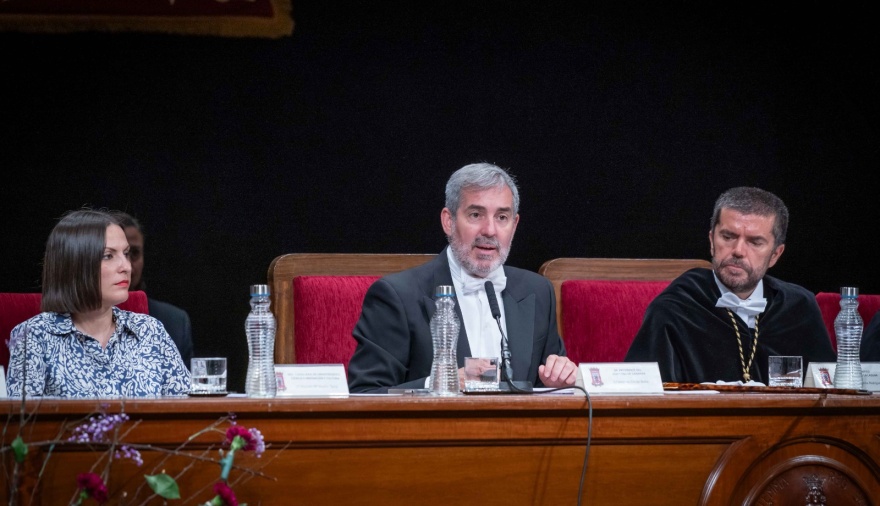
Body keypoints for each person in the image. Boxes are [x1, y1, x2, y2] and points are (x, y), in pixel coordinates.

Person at [347, 162, 577, 393]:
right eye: (476, 214)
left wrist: (558, 381)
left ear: (514, 225)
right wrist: (438, 384)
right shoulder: (397, 296)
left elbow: (543, 388)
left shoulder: (538, 291)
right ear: (449, 221)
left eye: (501, 217)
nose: (490, 230)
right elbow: (365, 393)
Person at [624, 186, 836, 384]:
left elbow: (829, 394)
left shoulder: (798, 308)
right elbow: (643, 395)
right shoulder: (675, 308)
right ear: (711, 241)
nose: (738, 251)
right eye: (728, 237)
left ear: (775, 254)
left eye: (755, 242)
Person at [6, 208, 191, 397]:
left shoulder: (149, 330)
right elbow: (23, 416)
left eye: (126, 253)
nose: (126, 267)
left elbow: (188, 409)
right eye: (108, 255)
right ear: (75, 264)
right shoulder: (33, 337)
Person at [113, 211, 194, 366]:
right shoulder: (80, 322)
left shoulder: (175, 322)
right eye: (111, 255)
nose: (127, 265)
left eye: (134, 253)